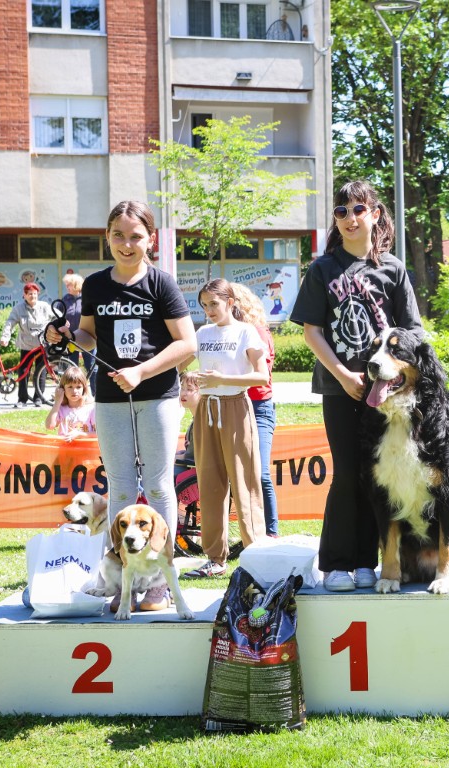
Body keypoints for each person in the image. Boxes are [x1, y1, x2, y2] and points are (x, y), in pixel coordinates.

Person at [44, 201, 196, 585]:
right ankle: (122, 579)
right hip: (110, 400)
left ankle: (160, 581)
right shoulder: (96, 284)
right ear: (107, 237)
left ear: (151, 239)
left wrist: (141, 372)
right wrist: (66, 335)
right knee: (122, 489)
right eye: (118, 236)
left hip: (158, 396)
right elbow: (88, 335)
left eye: (135, 237)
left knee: (159, 486)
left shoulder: (162, 283)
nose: (126, 244)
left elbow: (187, 344)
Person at [290, 180, 423, 592]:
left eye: (358, 209)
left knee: (376, 476)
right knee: (347, 473)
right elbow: (312, 331)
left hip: (386, 394)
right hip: (340, 389)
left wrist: (402, 376)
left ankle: (368, 561)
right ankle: (337, 563)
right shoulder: (322, 269)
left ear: (375, 214)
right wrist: (343, 375)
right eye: (342, 211)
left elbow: (413, 330)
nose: (350, 218)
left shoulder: (393, 268)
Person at [181, 279, 269, 579]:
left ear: (230, 302)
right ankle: (215, 559)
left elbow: (262, 376)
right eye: (204, 305)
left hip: (235, 408)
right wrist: (189, 375)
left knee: (245, 482)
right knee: (209, 484)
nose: (209, 310)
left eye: (214, 304)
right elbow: (180, 362)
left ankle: (256, 555)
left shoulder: (246, 331)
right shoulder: (202, 333)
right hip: (206, 409)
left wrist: (223, 380)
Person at [231, 282, 279, 537]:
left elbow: (261, 376)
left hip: (259, 407)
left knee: (260, 473)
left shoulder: (257, 332)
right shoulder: (228, 333)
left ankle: (271, 533)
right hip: (232, 404)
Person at [0, 282, 55, 407]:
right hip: (26, 345)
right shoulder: (18, 309)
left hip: (42, 345)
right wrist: (5, 337)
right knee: (23, 371)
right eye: (29, 294)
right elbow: (10, 323)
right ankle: (22, 399)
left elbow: (57, 316)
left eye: (35, 294)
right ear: (24, 295)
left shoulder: (44, 306)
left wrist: (58, 327)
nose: (32, 296)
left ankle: (38, 398)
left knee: (41, 372)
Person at [44, 365, 96, 439]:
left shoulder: (90, 409)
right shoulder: (60, 408)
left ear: (84, 389)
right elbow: (49, 426)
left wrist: (80, 434)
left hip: (84, 446)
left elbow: (99, 434)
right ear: (62, 389)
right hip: (64, 446)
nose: (74, 391)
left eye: (78, 387)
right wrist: (57, 402)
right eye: (70, 387)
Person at [175, 370, 200, 476]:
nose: (183, 393)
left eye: (189, 389)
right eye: (182, 388)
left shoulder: (202, 421)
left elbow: (193, 456)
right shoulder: (196, 418)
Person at [61, 273, 86, 371]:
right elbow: (58, 315)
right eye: (66, 285)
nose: (67, 287)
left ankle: (92, 382)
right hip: (70, 337)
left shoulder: (86, 298)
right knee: (72, 367)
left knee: (91, 366)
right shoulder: (65, 299)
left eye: (69, 285)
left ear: (76, 284)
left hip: (86, 336)